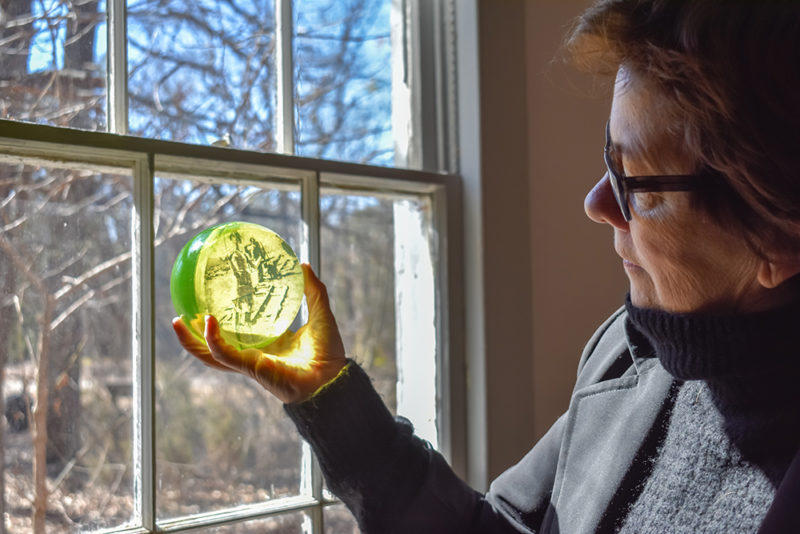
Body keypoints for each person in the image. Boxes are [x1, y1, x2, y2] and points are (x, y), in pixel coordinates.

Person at [173, 1, 800, 532]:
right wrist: (330, 397)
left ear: (776, 235)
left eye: (637, 183)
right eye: (607, 159)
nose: (596, 203)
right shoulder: (628, 350)